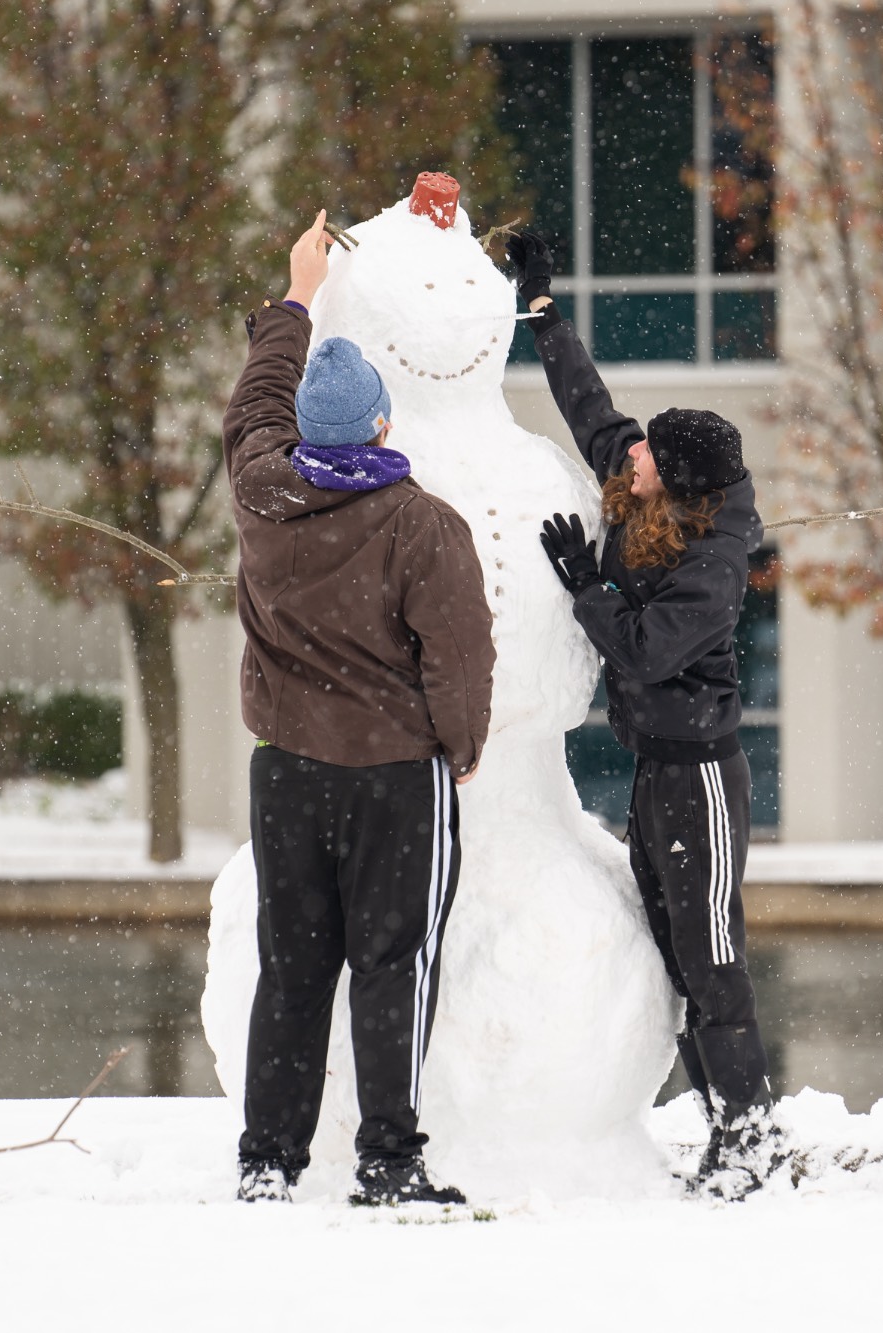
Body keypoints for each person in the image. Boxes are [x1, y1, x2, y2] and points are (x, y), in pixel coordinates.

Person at [223, 211, 496, 1207]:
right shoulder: (423, 526)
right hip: (392, 775)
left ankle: (267, 1159)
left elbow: (254, 399)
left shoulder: (262, 491)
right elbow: (458, 655)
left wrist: (296, 294)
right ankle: (387, 1158)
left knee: (291, 967)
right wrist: (459, 745)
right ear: (382, 424)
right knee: (393, 963)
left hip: (288, 768)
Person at [509, 229, 784, 1199]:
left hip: (701, 777)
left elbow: (639, 648)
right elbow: (595, 414)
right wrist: (541, 315)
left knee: (710, 959)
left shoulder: (711, 568)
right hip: (657, 773)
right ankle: (725, 1128)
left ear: (681, 482)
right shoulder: (653, 481)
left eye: (647, 457)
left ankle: (751, 1136)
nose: (629, 457)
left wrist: (586, 585)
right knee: (677, 956)